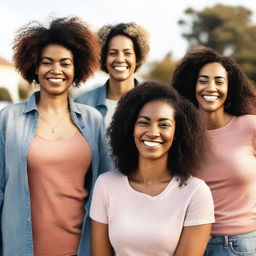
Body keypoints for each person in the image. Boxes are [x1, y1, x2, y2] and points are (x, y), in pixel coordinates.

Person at [0, 17, 111, 256]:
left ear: (76, 68)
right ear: (34, 67)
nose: (56, 70)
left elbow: (106, 188)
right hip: (20, 249)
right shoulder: (9, 118)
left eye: (65, 63)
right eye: (47, 62)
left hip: (80, 249)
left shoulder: (93, 120)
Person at [90, 81, 215, 256]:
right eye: (144, 122)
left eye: (164, 125)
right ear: (130, 128)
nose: (153, 132)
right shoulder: (106, 184)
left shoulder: (196, 192)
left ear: (178, 133)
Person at [172, 46, 256, 255]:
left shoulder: (250, 127)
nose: (211, 87)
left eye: (219, 81)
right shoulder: (178, 133)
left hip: (240, 245)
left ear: (230, 88)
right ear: (192, 86)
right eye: (203, 80)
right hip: (188, 243)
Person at [75, 22, 150, 128]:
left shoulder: (153, 100)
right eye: (113, 53)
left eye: (127, 53)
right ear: (103, 59)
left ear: (137, 58)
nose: (120, 59)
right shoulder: (82, 104)